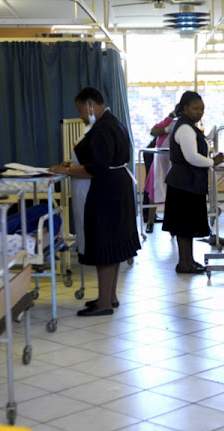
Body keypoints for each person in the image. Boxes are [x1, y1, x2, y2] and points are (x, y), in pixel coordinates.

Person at [49, 87, 140, 316]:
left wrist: (65, 170)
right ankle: (108, 296)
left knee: (105, 245)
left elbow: (96, 168)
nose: (80, 115)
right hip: (117, 187)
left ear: (90, 104)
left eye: (81, 110)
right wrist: (71, 166)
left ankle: (104, 305)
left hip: (106, 190)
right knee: (114, 245)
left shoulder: (102, 128)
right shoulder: (111, 122)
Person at [163, 91, 224, 274]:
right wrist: (212, 162)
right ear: (185, 109)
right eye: (195, 108)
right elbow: (191, 157)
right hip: (184, 183)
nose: (199, 112)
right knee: (184, 227)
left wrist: (210, 160)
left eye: (202, 109)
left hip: (189, 183)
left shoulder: (188, 126)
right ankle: (184, 264)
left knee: (187, 226)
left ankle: (189, 261)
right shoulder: (184, 128)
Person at [144, 108, 177, 233]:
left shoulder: (187, 124)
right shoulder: (169, 121)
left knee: (173, 192)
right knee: (154, 190)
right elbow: (153, 131)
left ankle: (173, 224)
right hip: (159, 160)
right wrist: (167, 129)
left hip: (173, 161)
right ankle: (150, 222)